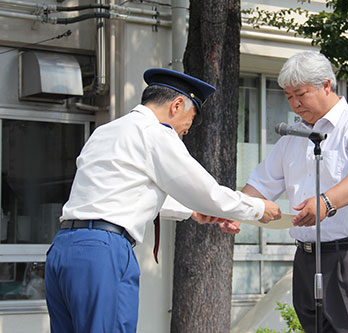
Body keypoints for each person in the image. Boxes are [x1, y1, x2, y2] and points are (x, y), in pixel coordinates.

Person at [44, 68, 281, 333]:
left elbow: (123, 190)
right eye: (187, 125)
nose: (183, 133)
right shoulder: (156, 133)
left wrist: (192, 212)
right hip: (104, 250)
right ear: (177, 105)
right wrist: (259, 208)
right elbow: (208, 192)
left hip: (64, 248)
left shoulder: (105, 131)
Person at [241, 52, 348, 332]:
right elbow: (261, 185)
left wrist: (326, 202)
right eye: (288, 96)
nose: (295, 104)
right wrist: (235, 211)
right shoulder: (292, 137)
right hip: (308, 257)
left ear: (326, 85)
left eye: (301, 94)